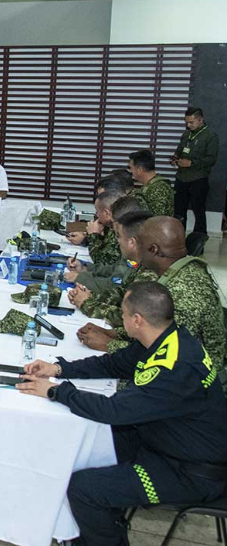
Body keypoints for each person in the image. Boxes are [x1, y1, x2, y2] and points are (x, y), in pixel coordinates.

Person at [17, 281, 227, 546]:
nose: (121, 319)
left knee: (84, 489)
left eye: (124, 314)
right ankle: (78, 531)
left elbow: (112, 410)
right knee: (81, 448)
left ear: (137, 320)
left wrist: (56, 392)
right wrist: (58, 369)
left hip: (190, 472)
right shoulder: (168, 338)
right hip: (165, 442)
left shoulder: (174, 367)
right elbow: (114, 363)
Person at [77, 217, 226, 382]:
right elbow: (155, 330)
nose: (136, 249)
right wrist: (112, 333)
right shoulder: (179, 270)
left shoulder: (182, 293)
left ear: (154, 249)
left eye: (139, 244)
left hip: (195, 384)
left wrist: (108, 344)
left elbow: (166, 355)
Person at [70, 211, 158, 329]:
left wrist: (88, 304)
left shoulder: (149, 274)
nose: (118, 241)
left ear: (131, 242)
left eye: (119, 236)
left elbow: (132, 319)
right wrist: (90, 296)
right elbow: (121, 293)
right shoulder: (140, 264)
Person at [65, 195, 146, 292]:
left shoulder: (142, 263)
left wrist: (80, 278)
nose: (117, 240)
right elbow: (113, 270)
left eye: (118, 235)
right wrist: (84, 268)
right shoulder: (132, 251)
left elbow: (114, 287)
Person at [171, 107, 219, 237]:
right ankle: (178, 238)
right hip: (182, 178)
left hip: (198, 179)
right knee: (179, 211)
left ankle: (199, 240)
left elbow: (211, 159)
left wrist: (191, 163)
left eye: (191, 122)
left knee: (198, 211)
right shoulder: (186, 134)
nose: (188, 125)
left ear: (201, 120)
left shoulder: (210, 136)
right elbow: (180, 149)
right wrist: (175, 158)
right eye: (186, 122)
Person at [129, 150, 173, 216]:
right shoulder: (150, 184)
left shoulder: (158, 188)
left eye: (131, 168)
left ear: (139, 170)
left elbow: (157, 219)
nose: (130, 171)